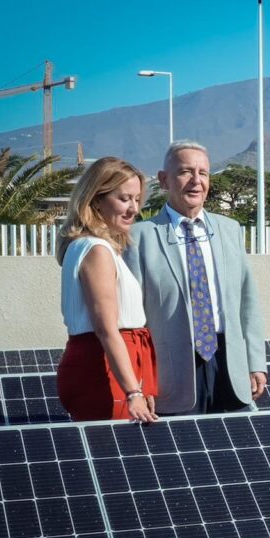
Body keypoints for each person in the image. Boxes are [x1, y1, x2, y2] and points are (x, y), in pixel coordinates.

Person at [124, 141, 267, 414]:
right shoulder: (139, 237)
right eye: (185, 172)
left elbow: (247, 304)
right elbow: (132, 319)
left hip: (229, 365)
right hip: (171, 374)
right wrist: (139, 383)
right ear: (165, 180)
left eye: (203, 173)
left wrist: (255, 363)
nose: (196, 181)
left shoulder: (230, 230)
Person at [56, 157, 159, 423]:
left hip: (112, 365)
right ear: (96, 199)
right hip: (103, 368)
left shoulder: (90, 246)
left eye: (137, 199)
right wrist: (133, 391)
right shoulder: (96, 250)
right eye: (124, 199)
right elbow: (106, 329)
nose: (133, 209)